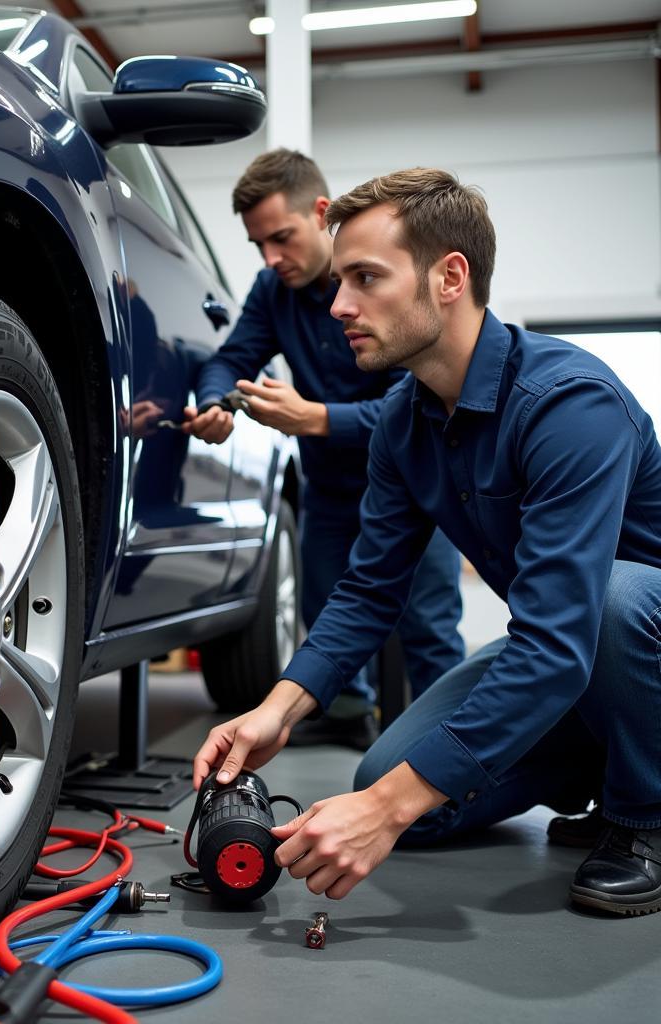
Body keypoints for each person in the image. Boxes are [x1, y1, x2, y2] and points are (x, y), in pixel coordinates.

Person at [192, 166, 661, 916]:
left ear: (450, 277)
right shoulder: (401, 420)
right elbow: (368, 589)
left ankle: (649, 813)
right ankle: (594, 756)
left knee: (612, 601)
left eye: (365, 278)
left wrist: (389, 808)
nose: (339, 305)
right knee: (393, 784)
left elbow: (559, 640)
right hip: (567, 649)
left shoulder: (569, 404)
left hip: (638, 640)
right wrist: (276, 711)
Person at [183, 149, 464, 749]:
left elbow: (411, 402)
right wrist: (214, 403)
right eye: (259, 245)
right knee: (325, 604)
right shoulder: (271, 291)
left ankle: (449, 745)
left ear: (320, 213)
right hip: (332, 489)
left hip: (417, 482)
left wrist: (317, 418)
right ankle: (345, 715)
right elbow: (231, 360)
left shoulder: (378, 286)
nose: (272, 258)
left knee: (428, 623)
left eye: (281, 239)